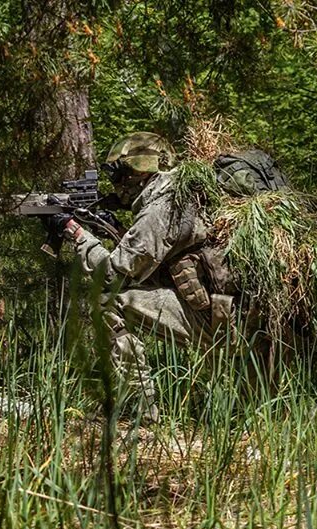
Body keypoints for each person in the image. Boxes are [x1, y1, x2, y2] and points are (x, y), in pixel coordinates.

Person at [45, 132, 247, 422]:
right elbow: (144, 269)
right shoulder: (182, 192)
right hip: (229, 309)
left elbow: (113, 274)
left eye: (117, 173)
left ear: (137, 171)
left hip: (218, 318)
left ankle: (137, 409)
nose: (115, 183)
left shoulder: (161, 208)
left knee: (107, 302)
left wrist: (77, 233)